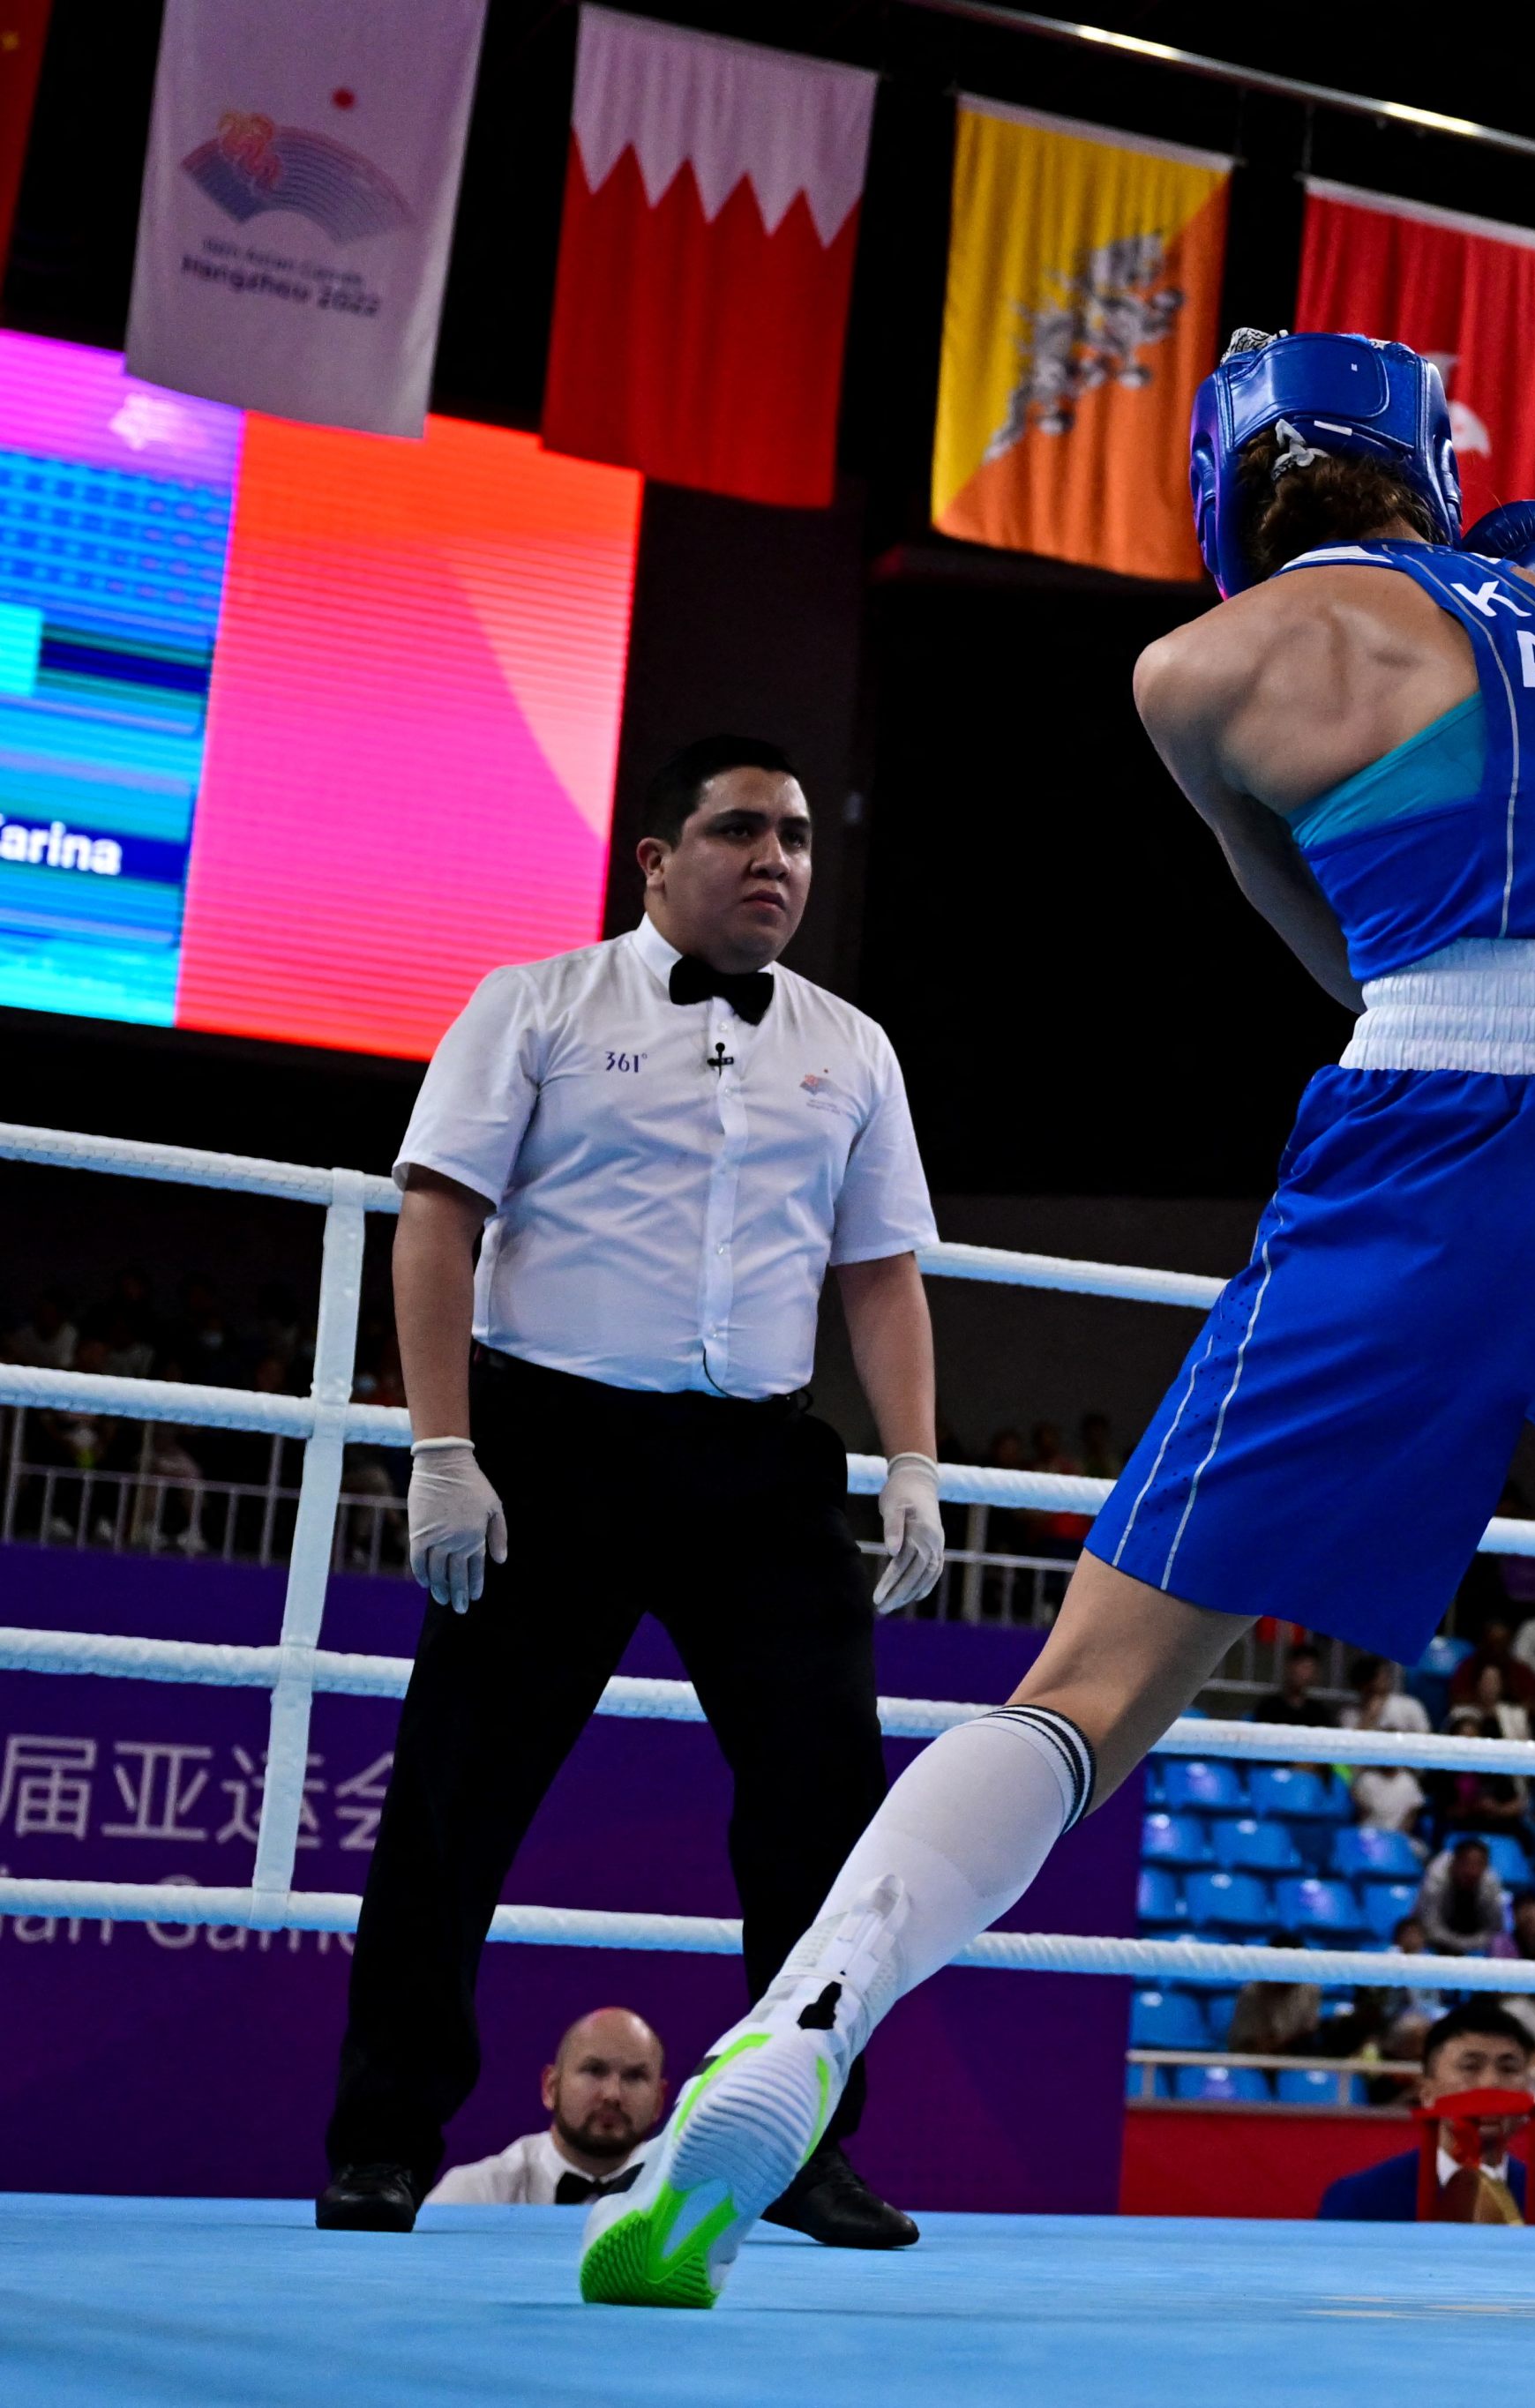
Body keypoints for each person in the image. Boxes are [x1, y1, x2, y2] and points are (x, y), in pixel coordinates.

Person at [585, 347, 1535, 2331]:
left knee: (1094, 1680)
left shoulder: (1189, 679)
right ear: (1430, 473)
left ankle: (794, 2039)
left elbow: (1350, 967)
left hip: (1431, 1119)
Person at [324, 735, 943, 2250]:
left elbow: (878, 1276)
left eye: (796, 836)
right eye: (739, 831)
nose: (776, 861)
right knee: (456, 1804)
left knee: (824, 1825)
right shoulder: (527, 1004)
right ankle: (384, 2139)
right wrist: (443, 1447)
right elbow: (435, 1221)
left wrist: (916, 1461)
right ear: (656, 861)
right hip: (551, 1451)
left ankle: (794, 2144)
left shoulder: (851, 1046)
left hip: (763, 1465)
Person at [1315, 2001, 1535, 2225]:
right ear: (1427, 2093)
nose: (1490, 2085)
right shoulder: (1358, 2202)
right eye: (1470, 2067)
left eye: (1509, 2069)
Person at [425, 2010, 666, 2207]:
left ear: (659, 2101)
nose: (612, 2094)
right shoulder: (474, 2195)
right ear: (551, 2087)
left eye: (635, 2076)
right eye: (594, 2070)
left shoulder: (684, 2201)